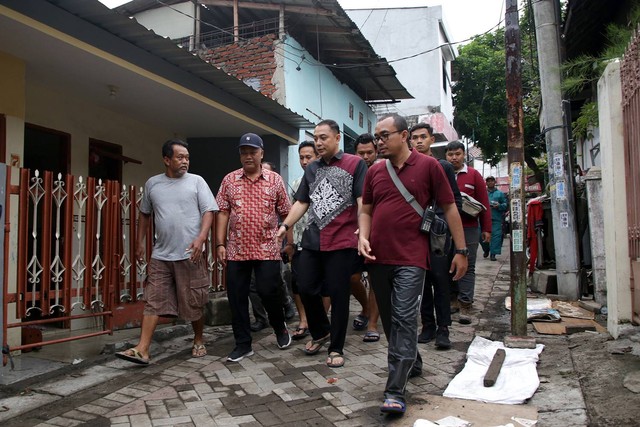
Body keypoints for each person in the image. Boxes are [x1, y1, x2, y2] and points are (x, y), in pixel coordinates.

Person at [358, 113, 468, 415]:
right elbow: (366, 209)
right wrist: (363, 237)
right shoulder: (375, 172)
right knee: (392, 318)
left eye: (384, 136)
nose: (379, 141)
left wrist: (462, 250)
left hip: (412, 258)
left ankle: (394, 389)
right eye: (377, 136)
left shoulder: (430, 166)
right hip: (378, 257)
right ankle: (412, 361)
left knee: (405, 318)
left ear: (404, 135)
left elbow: (449, 207)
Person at [115, 139, 217, 365]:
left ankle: (198, 339)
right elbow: (145, 214)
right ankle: (143, 349)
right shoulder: (153, 184)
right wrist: (140, 242)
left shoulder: (197, 182)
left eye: (187, 158)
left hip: (190, 253)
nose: (185, 162)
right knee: (153, 300)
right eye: (180, 157)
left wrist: (201, 238)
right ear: (166, 159)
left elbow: (209, 211)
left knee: (193, 300)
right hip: (161, 255)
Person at [277, 119, 366, 369]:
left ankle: (336, 347)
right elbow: (302, 202)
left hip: (343, 241)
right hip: (314, 239)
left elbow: (361, 199)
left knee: (338, 295)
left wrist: (363, 228)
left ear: (338, 138)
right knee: (304, 286)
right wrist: (284, 226)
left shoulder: (355, 164)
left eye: (323, 137)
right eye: (316, 137)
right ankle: (321, 331)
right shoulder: (312, 168)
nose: (318, 142)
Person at [216, 133, 293, 362]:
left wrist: (289, 243)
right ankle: (243, 343)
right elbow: (222, 212)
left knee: (269, 291)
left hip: (267, 248)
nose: (248, 156)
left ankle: (279, 327)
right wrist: (220, 243)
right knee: (236, 297)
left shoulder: (275, 180)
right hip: (236, 249)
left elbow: (286, 213)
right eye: (244, 152)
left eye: (252, 152)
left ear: (261, 154)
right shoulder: (229, 180)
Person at [409, 123, 462, 349]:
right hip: (414, 234)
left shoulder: (443, 166)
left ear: (432, 139)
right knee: (421, 283)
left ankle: (443, 328)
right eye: (415, 137)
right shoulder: (407, 168)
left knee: (441, 281)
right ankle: (427, 326)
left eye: (423, 137)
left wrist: (448, 230)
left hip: (438, 234)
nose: (419, 141)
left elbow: (454, 201)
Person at [445, 141, 491, 324]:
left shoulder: (473, 175)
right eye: (450, 154)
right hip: (446, 229)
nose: (454, 158)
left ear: (464, 155)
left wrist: (486, 228)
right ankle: (453, 300)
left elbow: (484, 202)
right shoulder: (441, 173)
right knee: (448, 265)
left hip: (469, 228)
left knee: (468, 265)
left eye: (457, 154)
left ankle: (466, 303)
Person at [284, 141, 319, 341]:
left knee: (320, 285)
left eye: (309, 157)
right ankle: (304, 319)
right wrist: (289, 243)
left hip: (321, 243)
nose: (305, 161)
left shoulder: (325, 180)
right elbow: (290, 214)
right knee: (297, 283)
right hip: (299, 242)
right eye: (301, 157)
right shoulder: (297, 184)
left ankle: (319, 320)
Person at [353, 133, 381, 342]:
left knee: (375, 280)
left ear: (376, 152)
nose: (365, 157)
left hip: (378, 235)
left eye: (369, 152)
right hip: (351, 235)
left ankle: (372, 324)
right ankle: (364, 308)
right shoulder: (350, 171)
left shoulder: (383, 172)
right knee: (351, 277)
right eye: (361, 153)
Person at [482, 176, 508, 261]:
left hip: (496, 218)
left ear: (495, 182)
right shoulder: (482, 193)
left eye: (492, 181)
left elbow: (505, 205)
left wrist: (499, 206)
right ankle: (486, 249)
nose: (490, 182)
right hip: (483, 218)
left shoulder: (500, 193)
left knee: (496, 236)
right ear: (486, 183)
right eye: (488, 181)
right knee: (481, 236)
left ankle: (493, 254)